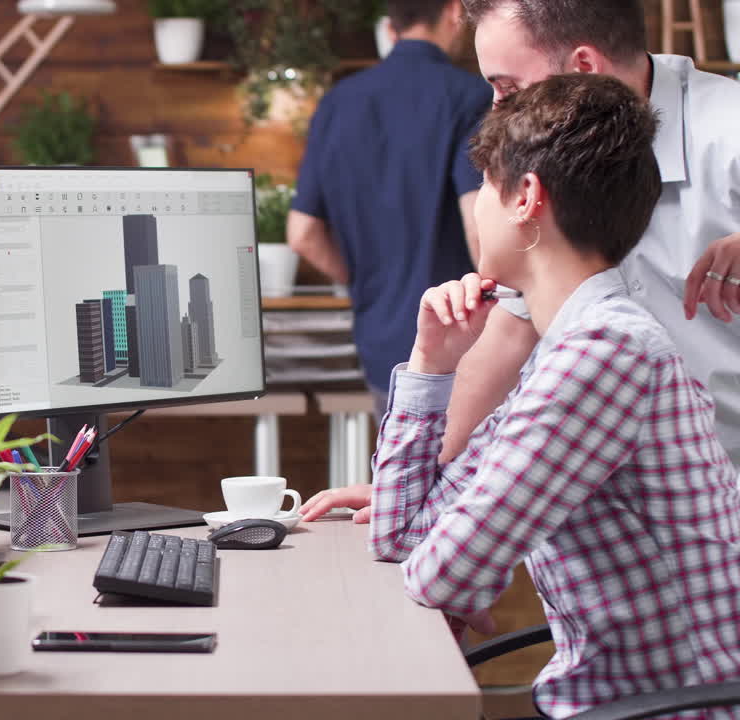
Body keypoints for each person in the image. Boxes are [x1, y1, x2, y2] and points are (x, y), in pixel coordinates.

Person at [371, 73, 740, 719]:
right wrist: (432, 364)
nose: (477, 206)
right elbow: (402, 535)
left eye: (486, 184)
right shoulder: (565, 350)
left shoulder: (604, 354)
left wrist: (447, 545)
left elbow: (444, 576)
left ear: (527, 198)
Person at [300, 0, 740, 524]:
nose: (496, 107)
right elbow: (510, 329)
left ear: (583, 67)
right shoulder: (547, 151)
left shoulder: (728, 130)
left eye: (506, 87)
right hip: (626, 521)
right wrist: (409, 486)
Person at [287, 0, 490, 419]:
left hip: (378, 339)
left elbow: (302, 233)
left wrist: (367, 283)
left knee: (403, 469)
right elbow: (479, 228)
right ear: (454, 13)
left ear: (390, 25)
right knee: (468, 480)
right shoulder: (471, 97)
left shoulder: (337, 103)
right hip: (461, 337)